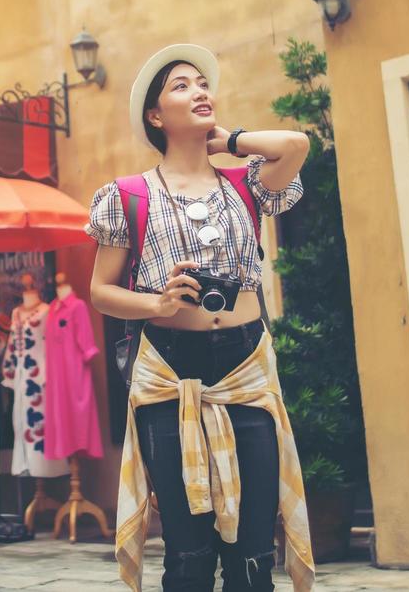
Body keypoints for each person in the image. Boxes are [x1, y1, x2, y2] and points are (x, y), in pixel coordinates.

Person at [87, 44, 315, 592]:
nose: (200, 92)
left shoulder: (247, 184)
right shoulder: (128, 196)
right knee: (189, 551)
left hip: (247, 367)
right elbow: (100, 291)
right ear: (155, 116)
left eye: (203, 83)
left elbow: (297, 144)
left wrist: (229, 141)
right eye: (181, 86)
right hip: (169, 371)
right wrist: (158, 304)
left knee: (255, 547)